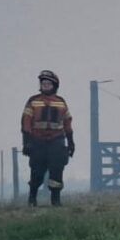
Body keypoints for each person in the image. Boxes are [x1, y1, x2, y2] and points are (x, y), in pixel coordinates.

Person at [21, 70, 75, 207]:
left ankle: (55, 200)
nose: (45, 85)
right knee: (37, 171)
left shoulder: (61, 102)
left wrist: (71, 142)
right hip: (37, 141)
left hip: (57, 141)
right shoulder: (33, 101)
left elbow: (67, 123)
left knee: (57, 171)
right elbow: (26, 122)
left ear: (54, 85)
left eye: (48, 83)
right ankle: (32, 198)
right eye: (43, 83)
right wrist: (26, 142)